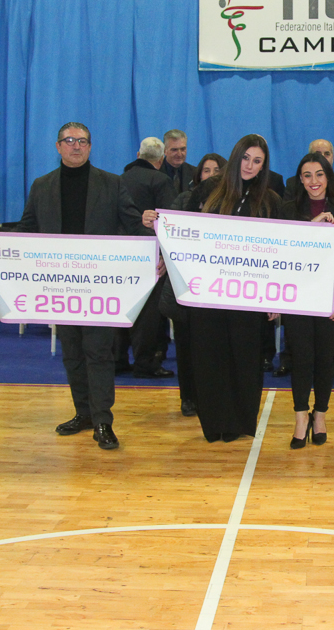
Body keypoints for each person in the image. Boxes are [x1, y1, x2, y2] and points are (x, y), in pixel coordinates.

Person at [12, 122, 149, 450]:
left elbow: (133, 224)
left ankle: (103, 421)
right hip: (59, 287)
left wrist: (156, 250)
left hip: (100, 286)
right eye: (70, 140)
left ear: (90, 146)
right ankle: (83, 413)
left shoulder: (112, 183)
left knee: (99, 352)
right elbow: (27, 230)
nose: (76, 146)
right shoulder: (41, 186)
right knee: (71, 351)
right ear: (58, 146)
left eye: (83, 141)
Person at [146, 134, 282, 442]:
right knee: (209, 357)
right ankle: (214, 422)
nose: (250, 166)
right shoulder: (208, 190)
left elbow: (278, 251)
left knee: (244, 358)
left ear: (264, 166)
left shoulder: (270, 201)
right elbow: (182, 230)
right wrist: (159, 233)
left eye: (257, 161)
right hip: (205, 292)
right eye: (245, 158)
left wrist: (274, 297)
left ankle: (238, 422)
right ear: (235, 157)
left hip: (248, 295)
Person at [279, 152, 334, 448]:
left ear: (328, 178)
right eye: (307, 175)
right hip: (297, 298)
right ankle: (301, 417)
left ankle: (320, 414)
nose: (314, 181)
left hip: (330, 300)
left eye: (319, 174)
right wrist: (313, 226)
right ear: (300, 180)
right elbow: (283, 254)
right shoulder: (286, 211)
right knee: (301, 359)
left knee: (325, 360)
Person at [164, 153, 226, 417]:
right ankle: (188, 397)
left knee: (215, 348)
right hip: (185, 288)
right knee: (186, 346)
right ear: (198, 174)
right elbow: (167, 234)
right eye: (206, 170)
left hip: (219, 289)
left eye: (216, 170)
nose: (211, 175)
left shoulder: (231, 204)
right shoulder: (182, 200)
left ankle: (213, 397)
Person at [117, 137, 177, 379]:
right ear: (161, 160)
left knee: (122, 305)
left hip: (121, 254)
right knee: (149, 312)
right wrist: (165, 255)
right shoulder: (161, 180)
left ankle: (118, 359)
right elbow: (168, 221)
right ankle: (145, 362)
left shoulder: (118, 180)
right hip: (150, 254)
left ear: (138, 155)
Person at [284, 139, 334, 209]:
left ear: (332, 157)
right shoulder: (292, 183)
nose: (323, 157)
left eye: (327, 154)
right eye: (318, 154)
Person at [162, 129, 198, 193]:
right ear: (165, 151)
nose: (179, 154)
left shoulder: (195, 173)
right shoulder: (155, 173)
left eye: (183, 149)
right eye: (174, 150)